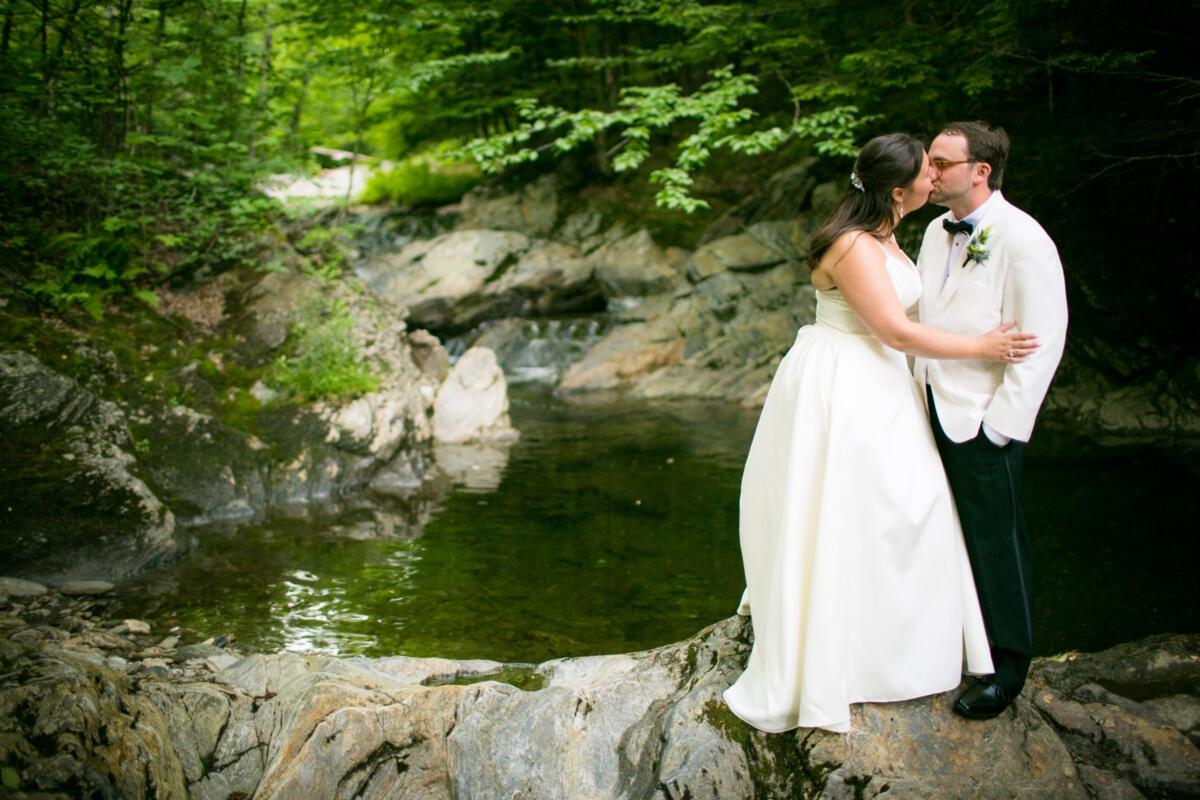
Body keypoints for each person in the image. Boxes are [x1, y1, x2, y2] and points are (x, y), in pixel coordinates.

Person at [722, 132, 1039, 734]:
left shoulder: (890, 235)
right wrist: (983, 345)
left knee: (906, 511)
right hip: (848, 383)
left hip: (885, 385)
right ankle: (850, 652)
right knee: (858, 510)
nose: (936, 177)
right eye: (927, 171)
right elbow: (895, 330)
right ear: (899, 191)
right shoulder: (853, 246)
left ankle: (903, 644)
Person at [915, 121, 1068, 720]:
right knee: (938, 532)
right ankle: (955, 646)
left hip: (982, 418)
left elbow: (1042, 339)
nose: (930, 172)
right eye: (930, 161)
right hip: (926, 407)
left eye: (942, 164)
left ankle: (1009, 668)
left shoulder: (1024, 238)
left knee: (996, 540)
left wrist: (1001, 426)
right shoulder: (932, 231)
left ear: (980, 171)